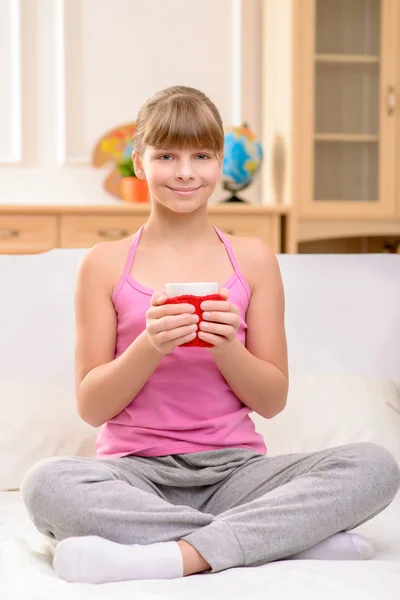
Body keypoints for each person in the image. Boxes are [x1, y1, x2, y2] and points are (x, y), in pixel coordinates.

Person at [21, 86, 400, 584]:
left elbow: (272, 400)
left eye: (201, 155)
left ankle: (173, 555)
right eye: (166, 156)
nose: (185, 172)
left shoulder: (255, 259)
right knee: (46, 484)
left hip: (237, 473)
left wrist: (227, 347)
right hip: (135, 475)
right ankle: (277, 541)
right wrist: (149, 345)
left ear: (219, 163)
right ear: (140, 163)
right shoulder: (103, 265)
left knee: (374, 465)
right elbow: (92, 408)